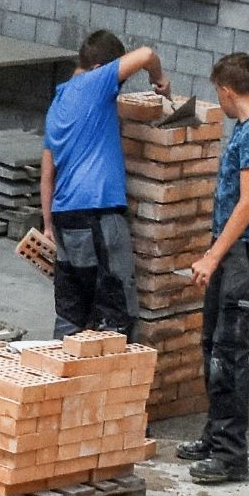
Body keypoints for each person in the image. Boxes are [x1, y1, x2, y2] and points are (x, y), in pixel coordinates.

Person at [180, 51, 249, 487]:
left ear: (227, 90)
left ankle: (230, 455)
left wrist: (213, 254)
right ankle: (214, 435)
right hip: (231, 252)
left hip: (245, 252)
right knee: (211, 343)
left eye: (217, 94)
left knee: (228, 350)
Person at [39, 29, 167, 338]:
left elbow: (47, 172)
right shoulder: (94, 84)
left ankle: (60, 379)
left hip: (64, 220)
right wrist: (159, 81)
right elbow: (147, 54)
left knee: (72, 314)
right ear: (99, 69)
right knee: (116, 311)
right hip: (98, 216)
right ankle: (113, 382)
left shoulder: (58, 102)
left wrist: (47, 226)